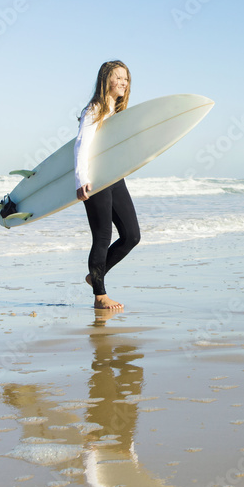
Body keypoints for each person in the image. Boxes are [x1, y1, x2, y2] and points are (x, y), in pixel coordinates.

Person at [75, 60, 141, 310]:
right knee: (102, 237)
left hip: (115, 178)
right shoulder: (95, 109)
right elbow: (81, 145)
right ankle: (100, 297)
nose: (124, 82)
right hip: (96, 179)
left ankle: (95, 277)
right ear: (106, 80)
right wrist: (81, 180)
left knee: (132, 236)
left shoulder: (119, 112)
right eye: (118, 77)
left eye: (126, 78)